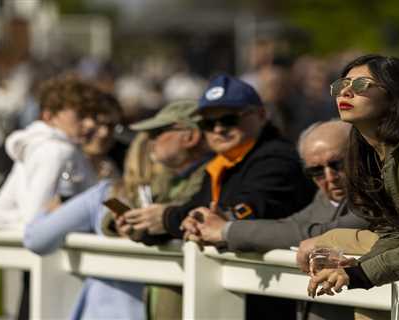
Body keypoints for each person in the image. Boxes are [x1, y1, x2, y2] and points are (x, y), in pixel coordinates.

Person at [118, 74, 315, 320]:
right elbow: (193, 210)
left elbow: (247, 210)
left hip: (275, 300)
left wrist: (168, 217)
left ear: (261, 116)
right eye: (209, 124)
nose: (219, 129)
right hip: (237, 297)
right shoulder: (222, 163)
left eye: (229, 119)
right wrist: (145, 228)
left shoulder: (276, 159)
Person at [24, 100, 210, 320]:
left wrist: (52, 210)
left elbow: (35, 237)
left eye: (157, 134)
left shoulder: (105, 195)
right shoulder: (111, 195)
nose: (152, 143)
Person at [304, 54, 399, 298]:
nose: (345, 93)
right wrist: (355, 268)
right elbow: (395, 233)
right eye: (342, 85)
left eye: (361, 85)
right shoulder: (367, 155)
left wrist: (364, 273)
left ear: (395, 96)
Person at [186, 120, 368, 254]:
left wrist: (226, 230)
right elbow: (290, 224)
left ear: (361, 155)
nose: (330, 178)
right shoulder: (322, 197)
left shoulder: (378, 195)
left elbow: (319, 234)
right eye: (316, 171)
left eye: (338, 165)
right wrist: (215, 227)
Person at [0, 74, 103, 230]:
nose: (90, 124)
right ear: (49, 116)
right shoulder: (56, 152)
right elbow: (34, 221)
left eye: (93, 116)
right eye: (81, 115)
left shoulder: (43, 148)